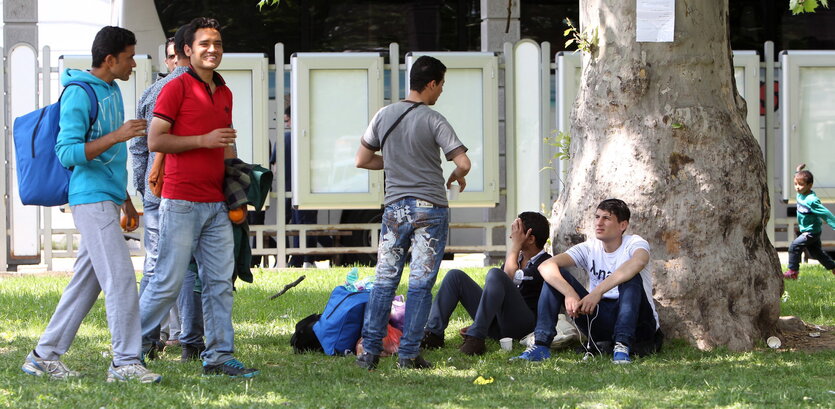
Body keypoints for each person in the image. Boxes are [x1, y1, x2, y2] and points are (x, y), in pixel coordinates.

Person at [21, 26, 161, 383]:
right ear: (110, 59)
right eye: (129, 56)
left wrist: (125, 200)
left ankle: (43, 355)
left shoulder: (111, 89)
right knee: (120, 279)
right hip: (88, 198)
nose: (133, 62)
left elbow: (111, 158)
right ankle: (125, 362)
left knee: (88, 282)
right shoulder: (78, 94)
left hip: (107, 197)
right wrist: (117, 135)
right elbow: (67, 152)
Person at [140, 17, 258, 378]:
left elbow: (225, 145)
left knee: (220, 284)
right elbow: (155, 140)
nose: (213, 50)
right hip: (181, 201)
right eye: (205, 43)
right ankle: (127, 350)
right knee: (167, 281)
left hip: (217, 204)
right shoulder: (174, 88)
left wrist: (235, 190)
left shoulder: (224, 90)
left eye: (218, 44)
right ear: (187, 50)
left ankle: (219, 356)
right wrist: (203, 141)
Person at [354, 55, 471, 370]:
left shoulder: (384, 115)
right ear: (432, 83)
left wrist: (393, 163)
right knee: (420, 283)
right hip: (430, 209)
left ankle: (369, 353)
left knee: (384, 279)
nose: (441, 92)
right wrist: (456, 176)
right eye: (442, 85)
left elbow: (362, 159)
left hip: (395, 210)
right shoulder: (434, 119)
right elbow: (463, 163)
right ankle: (408, 355)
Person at [130, 26, 206, 362]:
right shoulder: (197, 91)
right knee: (187, 266)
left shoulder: (150, 93)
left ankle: (148, 338)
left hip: (155, 189)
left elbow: (137, 147)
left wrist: (142, 184)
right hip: (182, 190)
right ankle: (187, 339)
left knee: (156, 266)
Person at [513, 199, 661, 364]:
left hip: (637, 323)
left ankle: (622, 345)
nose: (599, 222)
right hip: (601, 318)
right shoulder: (590, 247)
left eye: (606, 218)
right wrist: (570, 294)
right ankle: (540, 345)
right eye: (597, 217)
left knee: (630, 276)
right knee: (554, 277)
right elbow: (546, 266)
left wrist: (597, 292)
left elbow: (638, 262)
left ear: (622, 225)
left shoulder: (635, 243)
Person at [421, 212, 552, 355]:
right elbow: (495, 296)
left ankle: (476, 338)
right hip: (498, 325)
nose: (511, 237)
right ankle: (433, 334)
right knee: (455, 276)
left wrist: (515, 246)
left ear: (531, 238)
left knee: (496, 274)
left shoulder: (545, 263)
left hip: (522, 328)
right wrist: (479, 321)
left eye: (516, 234)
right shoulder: (517, 260)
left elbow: (509, 276)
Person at [784, 164, 835, 279]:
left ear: (810, 185)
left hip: (811, 232)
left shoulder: (811, 201)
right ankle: (833, 267)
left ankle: (793, 271)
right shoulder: (800, 193)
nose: (797, 187)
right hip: (807, 230)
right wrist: (798, 170)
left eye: (801, 185)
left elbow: (826, 214)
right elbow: (797, 177)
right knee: (817, 253)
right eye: (795, 184)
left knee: (794, 246)